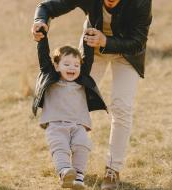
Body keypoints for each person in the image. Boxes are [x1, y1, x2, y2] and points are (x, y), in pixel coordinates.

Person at [31, 0, 152, 189]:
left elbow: (138, 41)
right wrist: (41, 21)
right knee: (73, 96)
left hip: (127, 52)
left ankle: (112, 170)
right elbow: (47, 6)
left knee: (121, 107)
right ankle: (67, 164)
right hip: (92, 50)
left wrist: (106, 41)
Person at [32, 28, 107, 189]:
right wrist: (41, 38)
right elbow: (43, 57)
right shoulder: (50, 76)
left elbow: (88, 56)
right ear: (57, 66)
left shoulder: (82, 79)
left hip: (78, 124)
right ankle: (65, 172)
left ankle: (79, 176)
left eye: (75, 65)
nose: (72, 68)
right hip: (56, 124)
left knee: (82, 146)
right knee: (60, 147)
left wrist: (90, 34)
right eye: (66, 64)